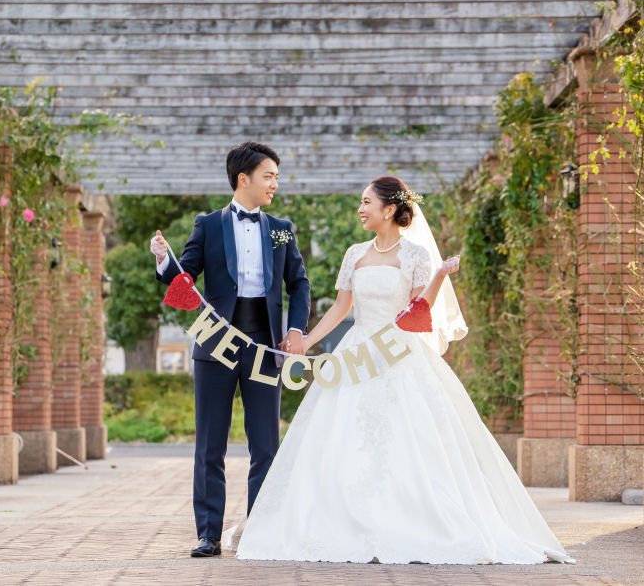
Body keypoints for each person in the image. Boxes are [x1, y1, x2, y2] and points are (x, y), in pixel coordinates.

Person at [234, 175, 571, 565]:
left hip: (397, 351)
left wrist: (440, 276)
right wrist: (306, 342)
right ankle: (341, 518)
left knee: (409, 435)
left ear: (389, 210)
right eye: (360, 203)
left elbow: (418, 312)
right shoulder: (354, 253)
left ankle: (411, 519)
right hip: (356, 351)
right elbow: (341, 308)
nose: (360, 209)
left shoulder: (414, 255)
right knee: (341, 434)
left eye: (366, 203)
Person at [151, 141, 311, 558]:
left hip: (265, 344)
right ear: (244, 179)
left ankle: (259, 530)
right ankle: (209, 534)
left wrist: (295, 329)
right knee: (210, 444)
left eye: (276, 176)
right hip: (215, 342)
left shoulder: (280, 227)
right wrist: (163, 262)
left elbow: (299, 282)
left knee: (265, 445)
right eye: (268, 175)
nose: (275, 183)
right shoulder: (208, 224)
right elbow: (183, 279)